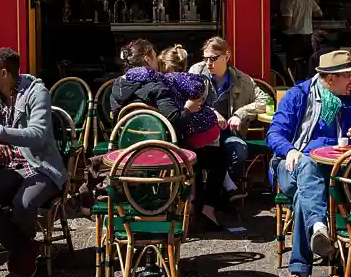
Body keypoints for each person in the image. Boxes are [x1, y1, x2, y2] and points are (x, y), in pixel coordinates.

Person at [268, 50, 351, 277]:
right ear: (329, 79)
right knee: (308, 163)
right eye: (347, 76)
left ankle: (298, 274)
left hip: (334, 171)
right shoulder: (299, 96)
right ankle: (323, 233)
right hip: (291, 168)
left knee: (303, 199)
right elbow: (273, 134)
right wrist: (291, 150)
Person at [0, 48, 66, 277]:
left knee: (23, 204)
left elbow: (38, 134)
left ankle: (21, 252)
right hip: (10, 168)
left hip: (42, 167)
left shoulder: (36, 92)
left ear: (3, 73)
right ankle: (25, 248)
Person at [111, 39, 226, 230]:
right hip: (162, 151)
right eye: (155, 56)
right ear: (148, 58)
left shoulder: (117, 85)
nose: (158, 61)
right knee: (214, 156)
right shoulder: (157, 84)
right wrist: (188, 109)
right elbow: (175, 121)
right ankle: (197, 210)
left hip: (127, 152)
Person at [190, 36, 269, 204]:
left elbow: (265, 101)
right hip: (201, 133)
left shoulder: (242, 80)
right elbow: (185, 101)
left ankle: (222, 195)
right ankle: (223, 194)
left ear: (227, 56)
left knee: (238, 150)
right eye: (205, 59)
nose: (208, 63)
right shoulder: (196, 72)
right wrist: (211, 112)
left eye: (213, 59)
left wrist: (240, 114)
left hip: (227, 133)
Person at [157, 45, 220, 149]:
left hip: (195, 134)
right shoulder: (195, 79)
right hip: (212, 128)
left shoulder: (168, 80)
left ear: (167, 66)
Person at [279, 0, 322, 79]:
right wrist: (306, 15)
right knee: (307, 66)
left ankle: (292, 86)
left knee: (291, 67)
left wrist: (278, 24)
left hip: (294, 39)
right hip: (308, 38)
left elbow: (287, 23)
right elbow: (319, 13)